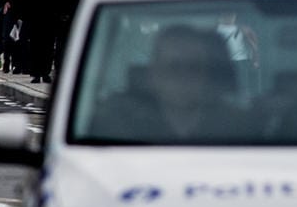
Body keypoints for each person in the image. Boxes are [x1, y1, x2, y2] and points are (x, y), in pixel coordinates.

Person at [87, 25, 246, 142]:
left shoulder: (239, 127)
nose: (184, 77)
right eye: (173, 67)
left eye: (193, 67)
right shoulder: (116, 125)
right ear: (153, 74)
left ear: (206, 74)